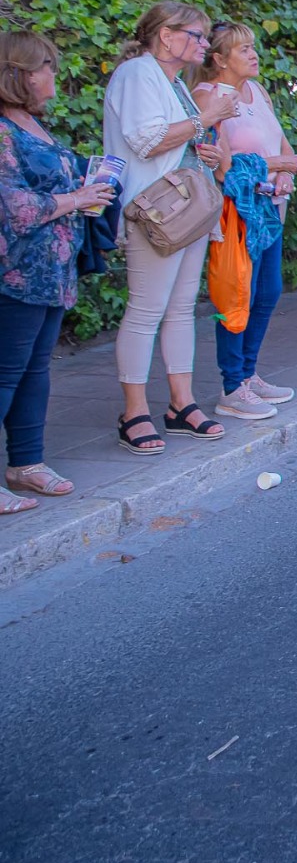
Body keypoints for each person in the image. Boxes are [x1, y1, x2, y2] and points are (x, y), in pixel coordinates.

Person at [102, 1, 233, 456]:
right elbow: (146, 140)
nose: (204, 44)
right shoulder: (137, 73)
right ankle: (133, 412)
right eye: (196, 35)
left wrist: (203, 149)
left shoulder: (172, 81)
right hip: (155, 210)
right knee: (146, 310)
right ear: (165, 35)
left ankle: (182, 404)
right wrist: (206, 119)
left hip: (184, 208)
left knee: (179, 310)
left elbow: (177, 139)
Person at [0, 33, 116, 513]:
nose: (54, 74)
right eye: (47, 66)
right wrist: (76, 198)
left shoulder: (30, 124)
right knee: (6, 373)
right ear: (21, 74)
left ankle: (26, 463)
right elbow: (14, 206)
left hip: (51, 273)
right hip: (14, 274)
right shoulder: (3, 130)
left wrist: (91, 191)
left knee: (34, 370)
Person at [192, 22, 297, 420]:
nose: (253, 54)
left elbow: (281, 142)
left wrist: (285, 172)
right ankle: (231, 386)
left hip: (270, 205)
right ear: (219, 59)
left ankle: (248, 373)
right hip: (237, 210)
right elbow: (224, 166)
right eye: (243, 49)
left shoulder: (258, 91)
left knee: (267, 292)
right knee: (236, 294)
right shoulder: (207, 97)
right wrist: (278, 164)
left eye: (252, 47)